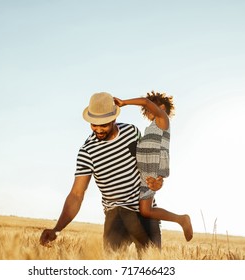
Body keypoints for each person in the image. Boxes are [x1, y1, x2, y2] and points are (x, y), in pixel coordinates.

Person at [39, 92, 161, 253]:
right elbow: (76, 194)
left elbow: (147, 165)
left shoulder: (132, 132)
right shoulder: (87, 151)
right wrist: (56, 229)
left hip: (145, 211)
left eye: (103, 124)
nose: (98, 129)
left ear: (114, 118)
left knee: (153, 266)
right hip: (116, 215)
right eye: (93, 124)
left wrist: (157, 180)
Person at [114, 91, 193, 242]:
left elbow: (145, 101)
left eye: (149, 108)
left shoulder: (162, 120)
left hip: (154, 168)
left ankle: (181, 219)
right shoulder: (149, 128)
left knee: (150, 196)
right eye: (145, 110)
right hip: (143, 173)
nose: (146, 110)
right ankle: (181, 219)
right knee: (145, 210)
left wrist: (124, 102)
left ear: (161, 108)